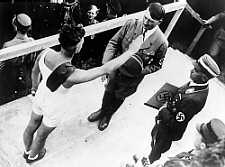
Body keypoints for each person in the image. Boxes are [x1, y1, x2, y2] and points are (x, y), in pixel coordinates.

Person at [23, 23, 141, 164]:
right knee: (41, 135)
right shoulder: (72, 75)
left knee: (31, 125)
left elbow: (35, 72)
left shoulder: (45, 53)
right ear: (77, 47)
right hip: (54, 106)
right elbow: (105, 69)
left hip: (41, 95)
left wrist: (35, 89)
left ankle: (26, 151)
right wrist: (130, 51)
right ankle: (33, 156)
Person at [87, 2, 168, 131]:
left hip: (131, 78)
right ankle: (102, 110)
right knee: (108, 91)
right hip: (115, 69)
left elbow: (157, 65)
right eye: (145, 17)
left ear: (160, 22)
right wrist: (106, 65)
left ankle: (108, 116)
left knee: (119, 96)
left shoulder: (162, 42)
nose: (146, 22)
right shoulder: (131, 24)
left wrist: (140, 71)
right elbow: (113, 43)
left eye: (151, 21)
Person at [148, 54, 221, 164]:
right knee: (153, 141)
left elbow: (175, 123)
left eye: (196, 70)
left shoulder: (194, 99)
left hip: (168, 131)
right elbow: (181, 93)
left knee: (155, 150)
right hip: (165, 121)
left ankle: (149, 162)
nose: (192, 70)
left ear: (204, 77)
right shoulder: (197, 84)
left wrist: (162, 110)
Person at [0, 13, 36, 104]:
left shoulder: (8, 45)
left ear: (15, 27)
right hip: (28, 84)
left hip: (11, 86)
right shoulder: (32, 42)